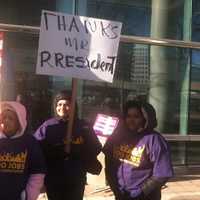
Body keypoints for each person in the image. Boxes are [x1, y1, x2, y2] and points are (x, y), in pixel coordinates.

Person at [34, 90, 102, 200]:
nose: (62, 107)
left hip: (76, 176)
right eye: (59, 104)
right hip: (54, 177)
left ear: (73, 106)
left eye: (67, 104)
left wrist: (80, 152)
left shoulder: (83, 126)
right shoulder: (48, 126)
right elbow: (36, 147)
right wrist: (53, 152)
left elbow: (96, 146)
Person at [103, 100, 173, 200]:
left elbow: (162, 174)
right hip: (121, 194)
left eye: (136, 117)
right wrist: (115, 188)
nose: (131, 120)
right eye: (128, 116)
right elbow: (109, 162)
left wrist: (140, 192)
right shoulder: (117, 135)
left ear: (145, 118)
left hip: (144, 196)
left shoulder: (154, 139)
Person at [0, 101, 46, 200]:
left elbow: (38, 171)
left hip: (19, 196)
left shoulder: (29, 142)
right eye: (3, 117)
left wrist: (29, 195)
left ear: (19, 121)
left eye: (10, 118)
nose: (5, 120)